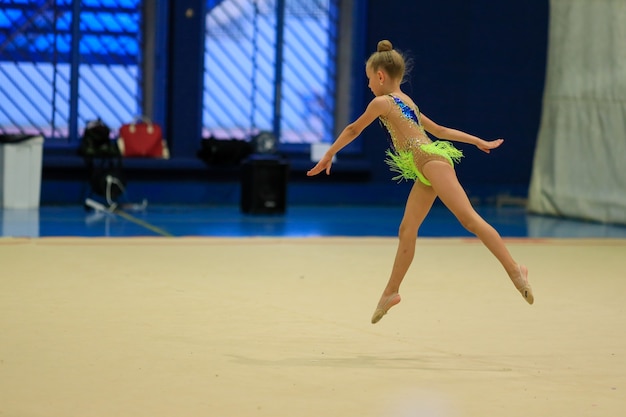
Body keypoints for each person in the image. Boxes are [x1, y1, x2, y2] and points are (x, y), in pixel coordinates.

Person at [307, 40, 534, 324]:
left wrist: (329, 154)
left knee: (469, 220)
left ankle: (515, 270)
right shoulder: (408, 102)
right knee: (407, 229)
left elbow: (354, 128)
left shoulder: (382, 102)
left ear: (380, 76)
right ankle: (391, 291)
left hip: (431, 161)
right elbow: (438, 129)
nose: (368, 86)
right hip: (425, 167)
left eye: (368, 80)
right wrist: (476, 140)